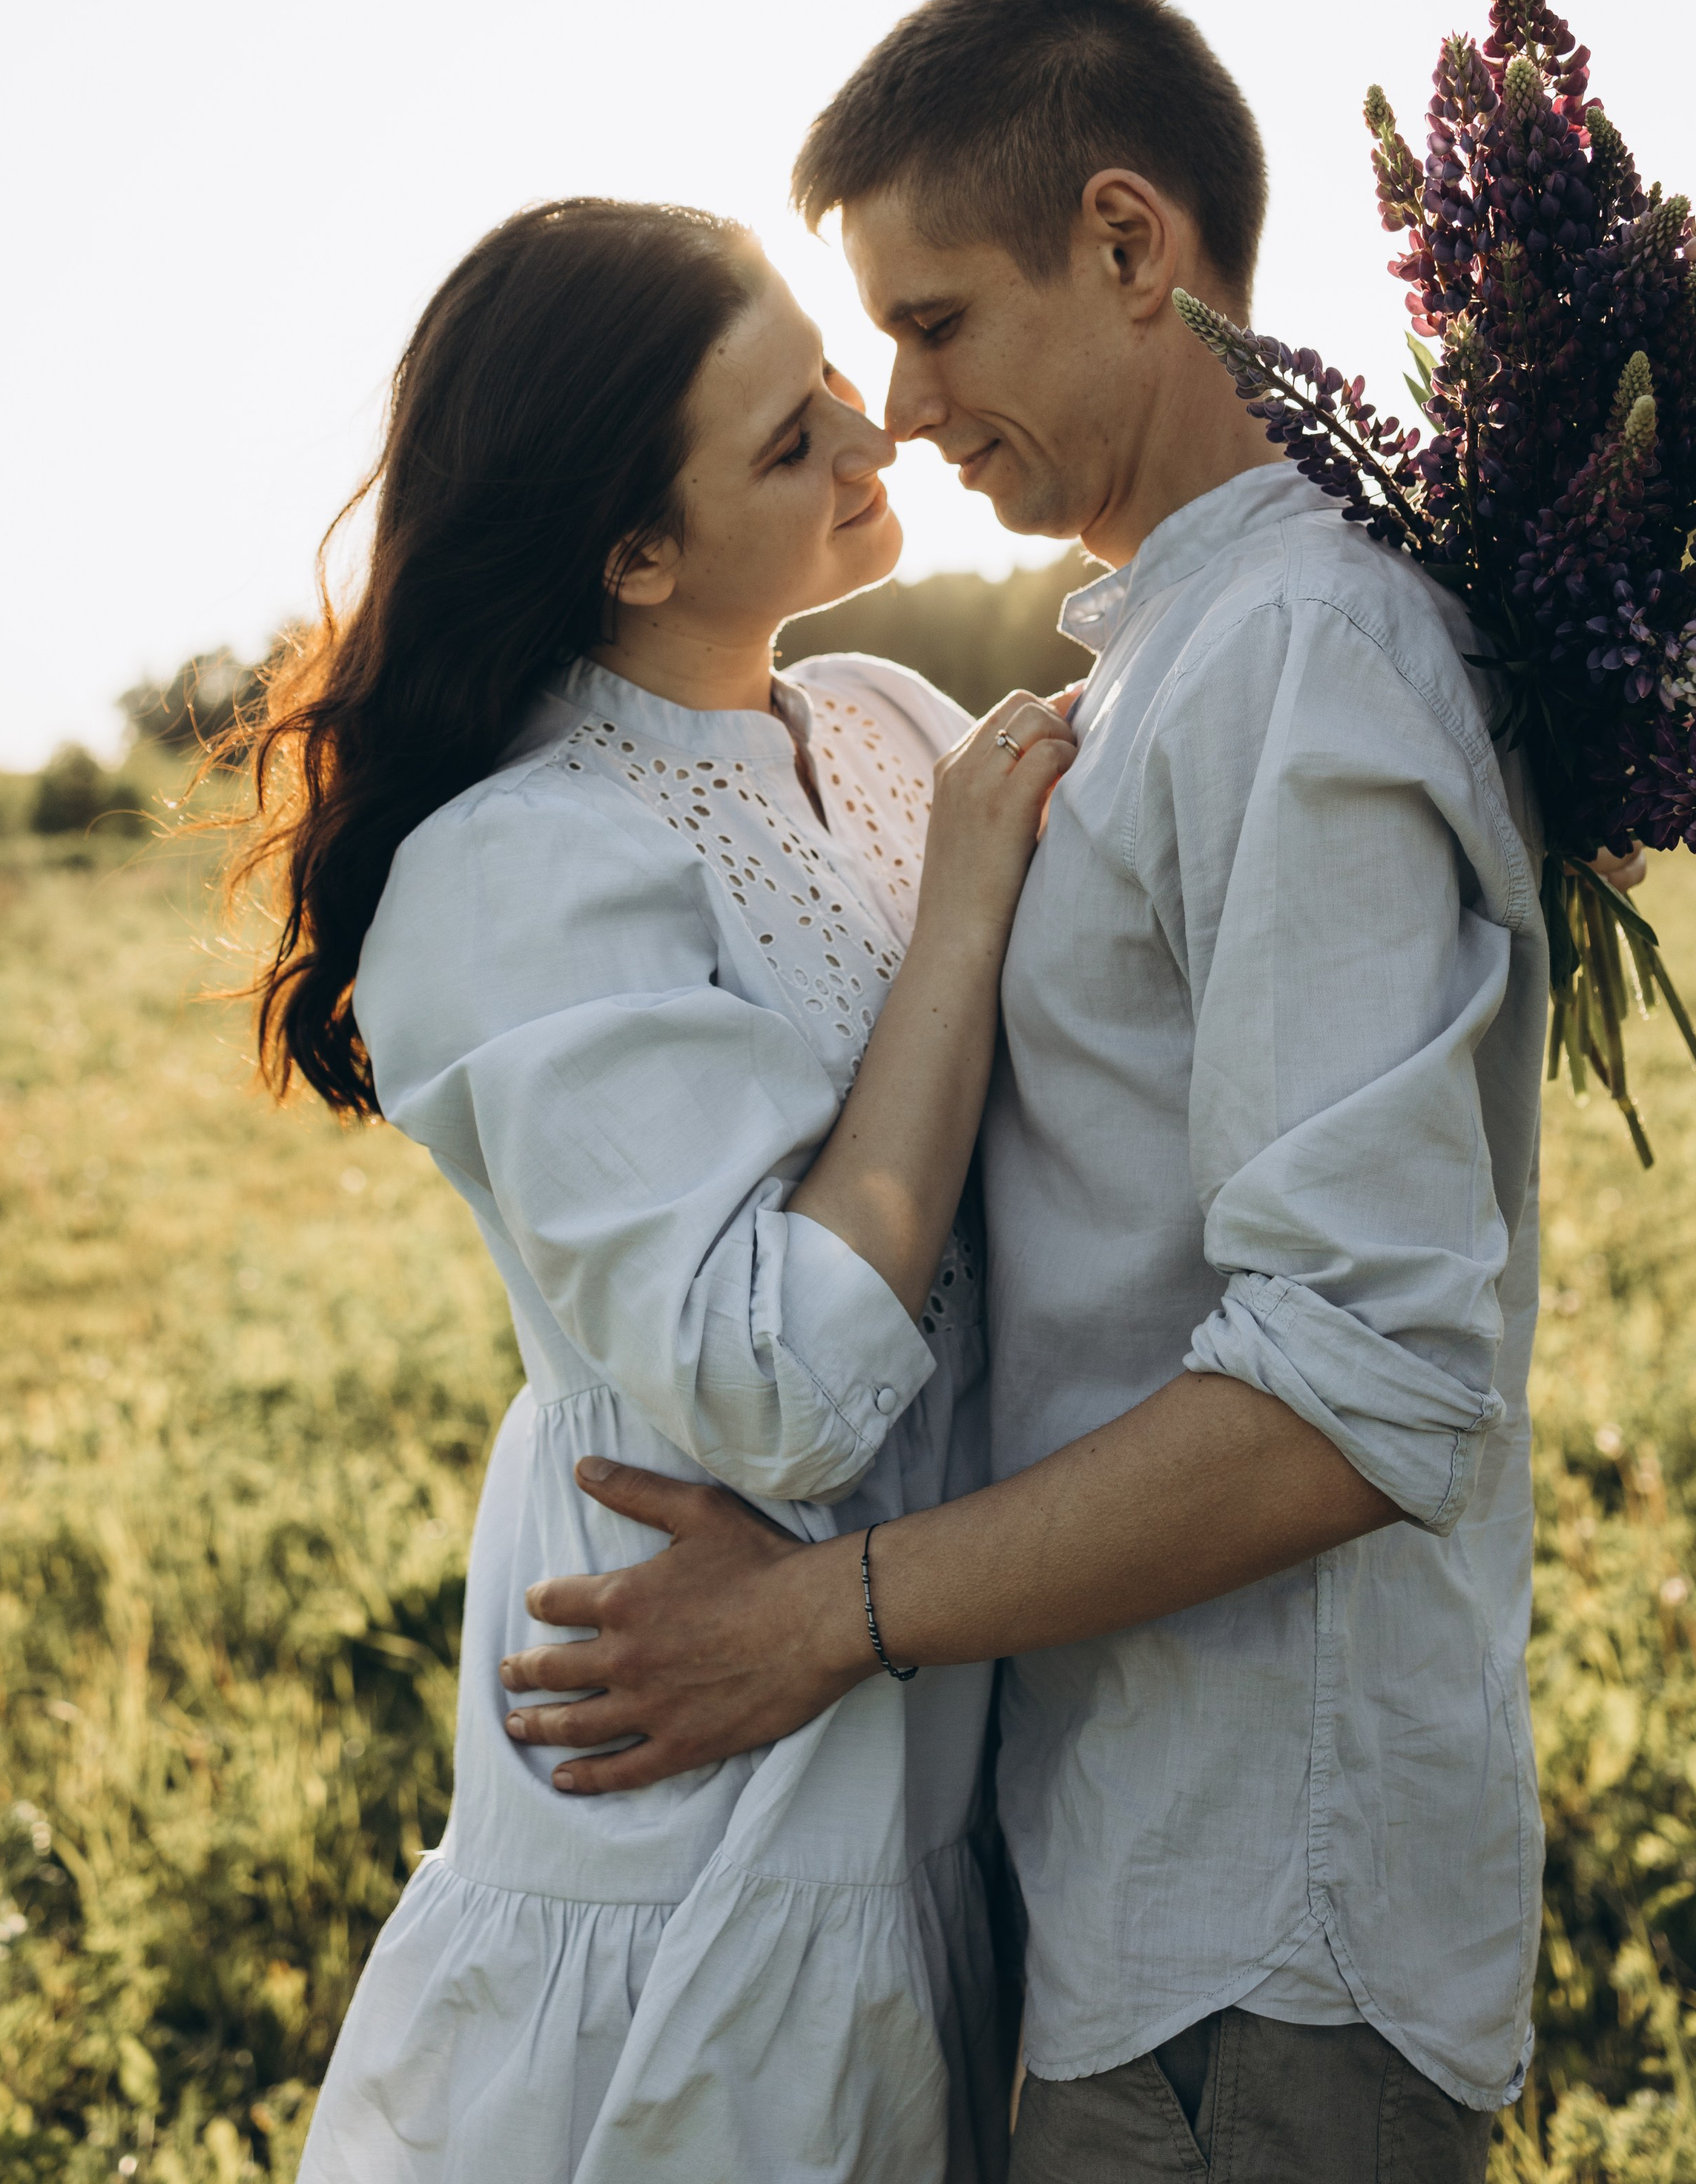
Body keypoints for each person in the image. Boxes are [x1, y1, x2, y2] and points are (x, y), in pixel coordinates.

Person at [499, 0, 1560, 2182]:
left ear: (1128, 242)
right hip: (1138, 1890)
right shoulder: (1177, 643)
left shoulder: (1299, 658)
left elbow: (1360, 1383)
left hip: (1259, 1934)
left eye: (938, 320)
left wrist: (817, 1623)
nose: (898, 403)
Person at [234, 195, 1075, 2183]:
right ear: (635, 552)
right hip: (702, 1799)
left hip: (932, 1729)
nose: (879, 440)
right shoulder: (522, 866)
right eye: (792, 441)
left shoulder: (877, 723)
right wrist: (960, 921)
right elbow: (775, 1383)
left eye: (832, 375)